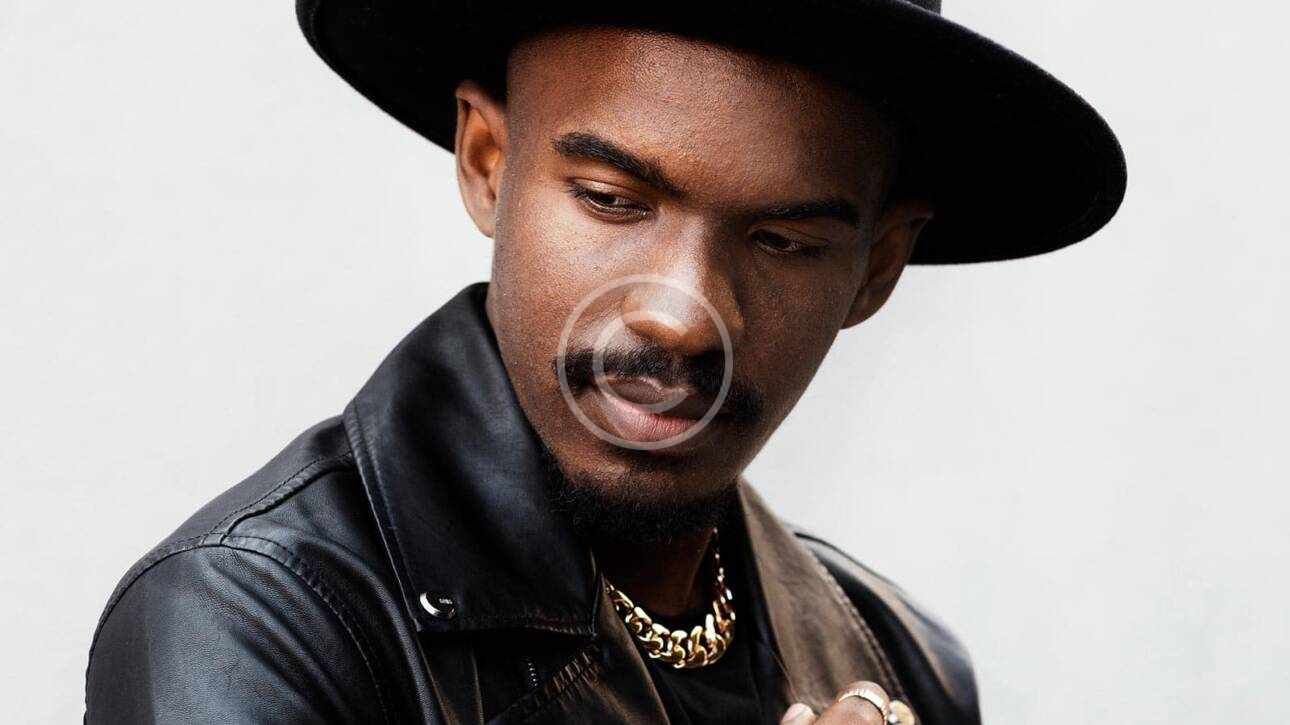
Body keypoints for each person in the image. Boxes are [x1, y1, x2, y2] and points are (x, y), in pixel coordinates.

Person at [84, 1, 1126, 723]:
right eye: (613, 201)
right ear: (488, 163)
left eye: (782, 241)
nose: (680, 317)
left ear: (877, 269)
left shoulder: (899, 664)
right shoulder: (257, 620)